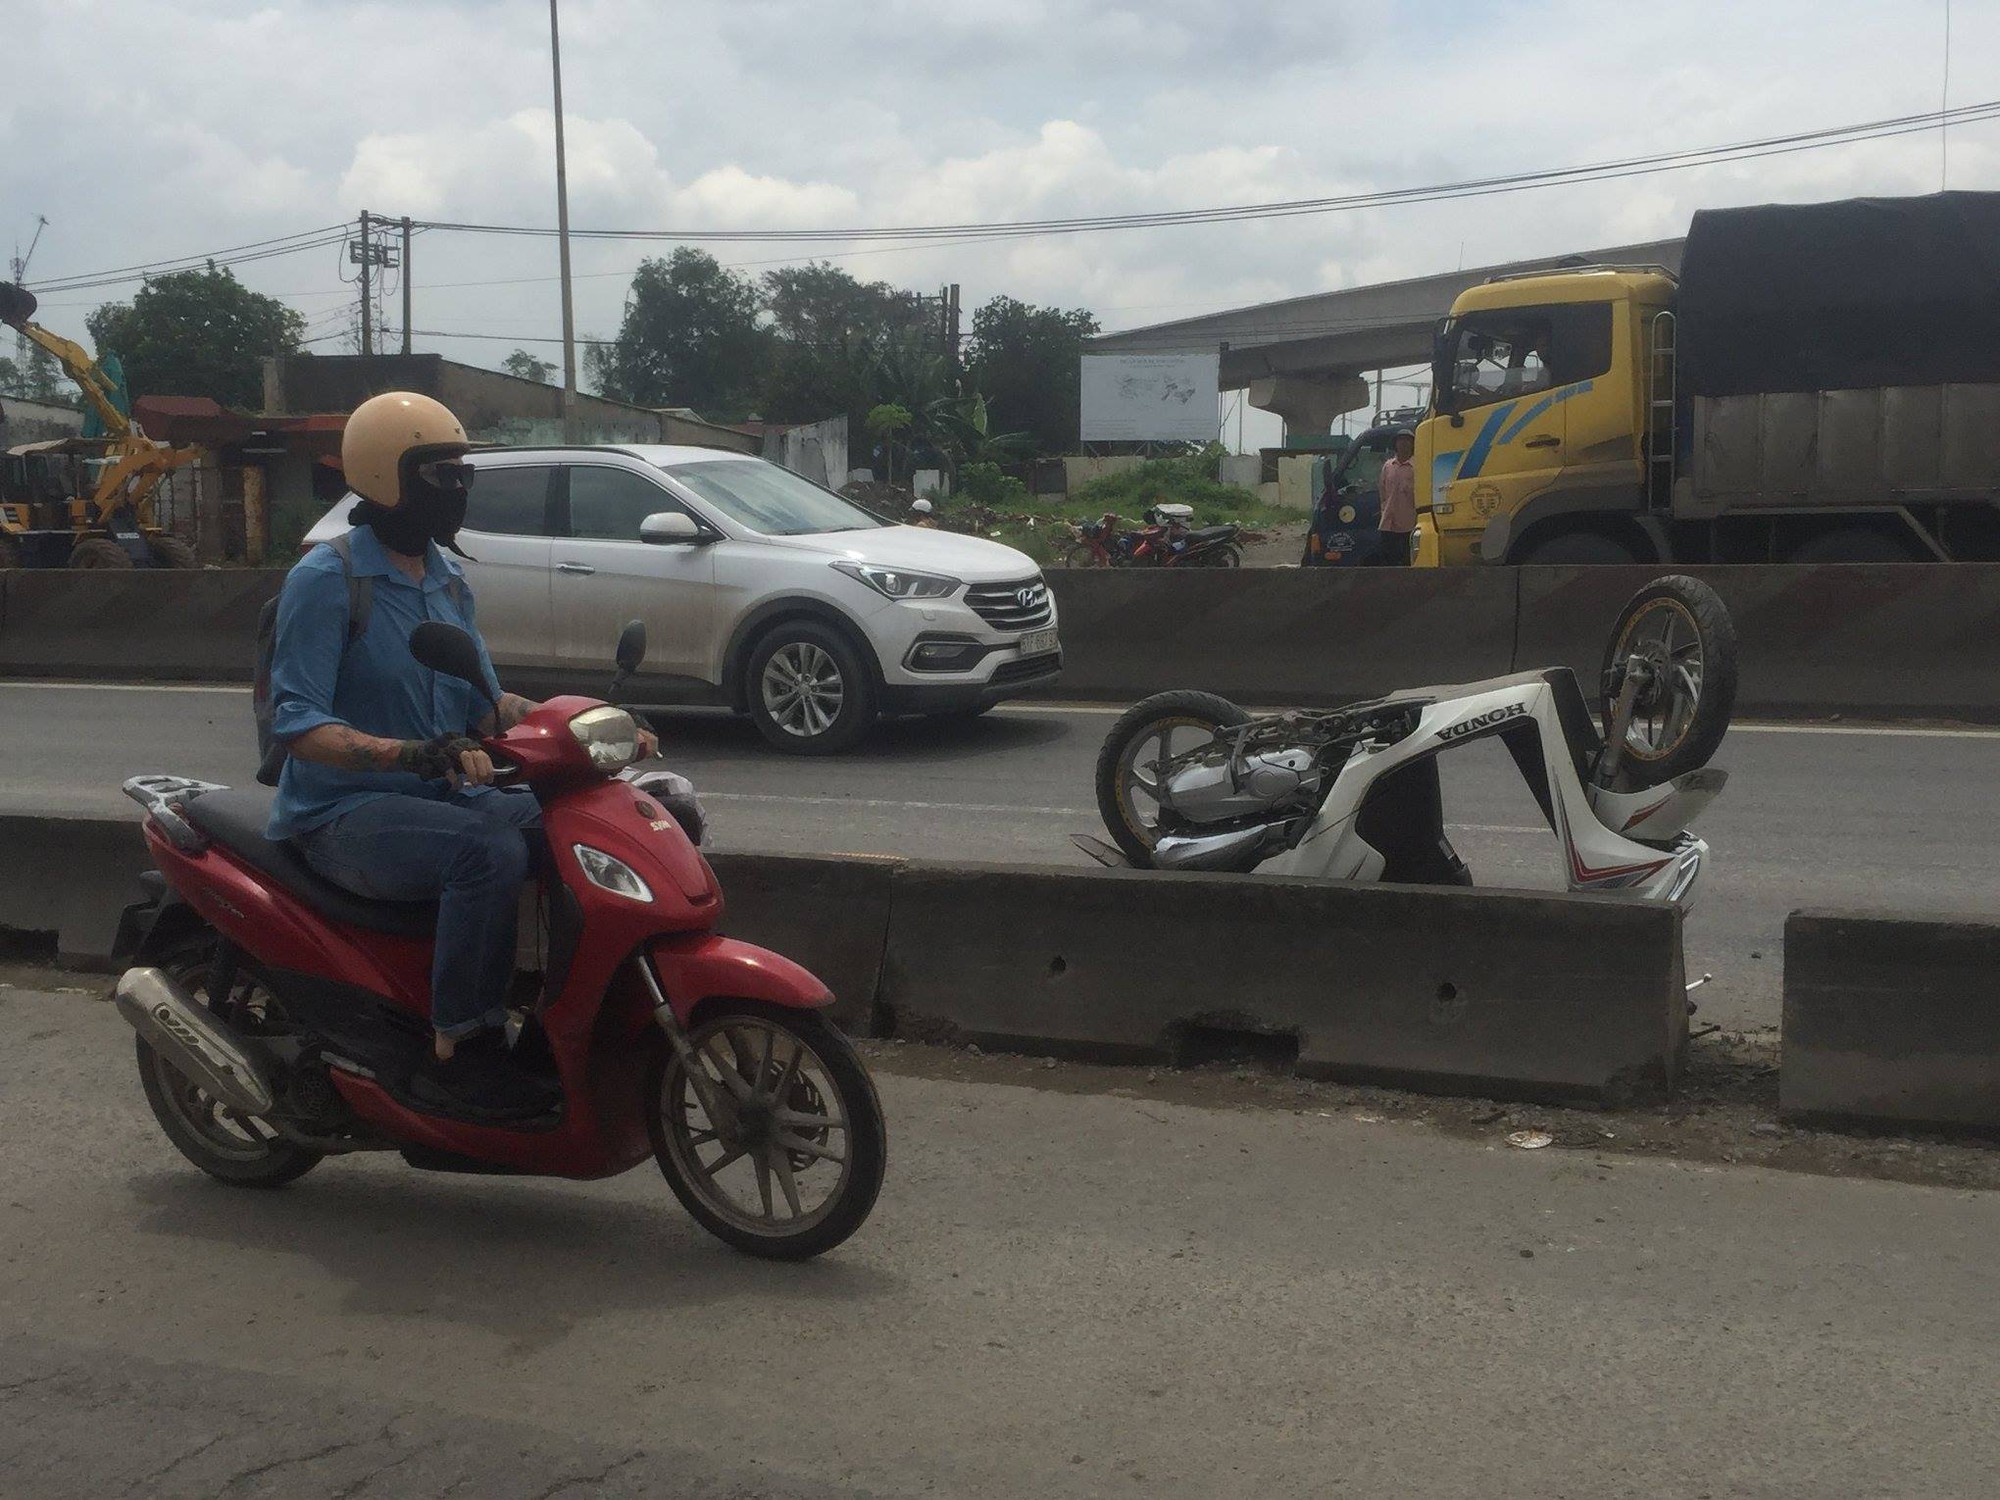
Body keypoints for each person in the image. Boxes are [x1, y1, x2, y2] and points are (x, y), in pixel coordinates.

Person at [264, 391, 656, 1119]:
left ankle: (566, 1015)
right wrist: (413, 754)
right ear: (388, 479)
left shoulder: (448, 578)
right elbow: (298, 723)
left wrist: (594, 726)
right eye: (440, 473)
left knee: (595, 822)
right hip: (340, 811)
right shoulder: (327, 580)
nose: (458, 489)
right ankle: (461, 1046)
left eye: (460, 471)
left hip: (437, 796)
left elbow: (488, 707)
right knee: (487, 851)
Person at [1374, 428, 1417, 566]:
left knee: (1407, 558)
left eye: (1407, 441)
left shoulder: (1417, 466)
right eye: (1401, 440)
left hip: (1409, 522)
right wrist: (1383, 509)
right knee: (1387, 559)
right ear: (1395, 444)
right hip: (1388, 521)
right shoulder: (1388, 466)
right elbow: (1382, 489)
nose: (1404, 444)